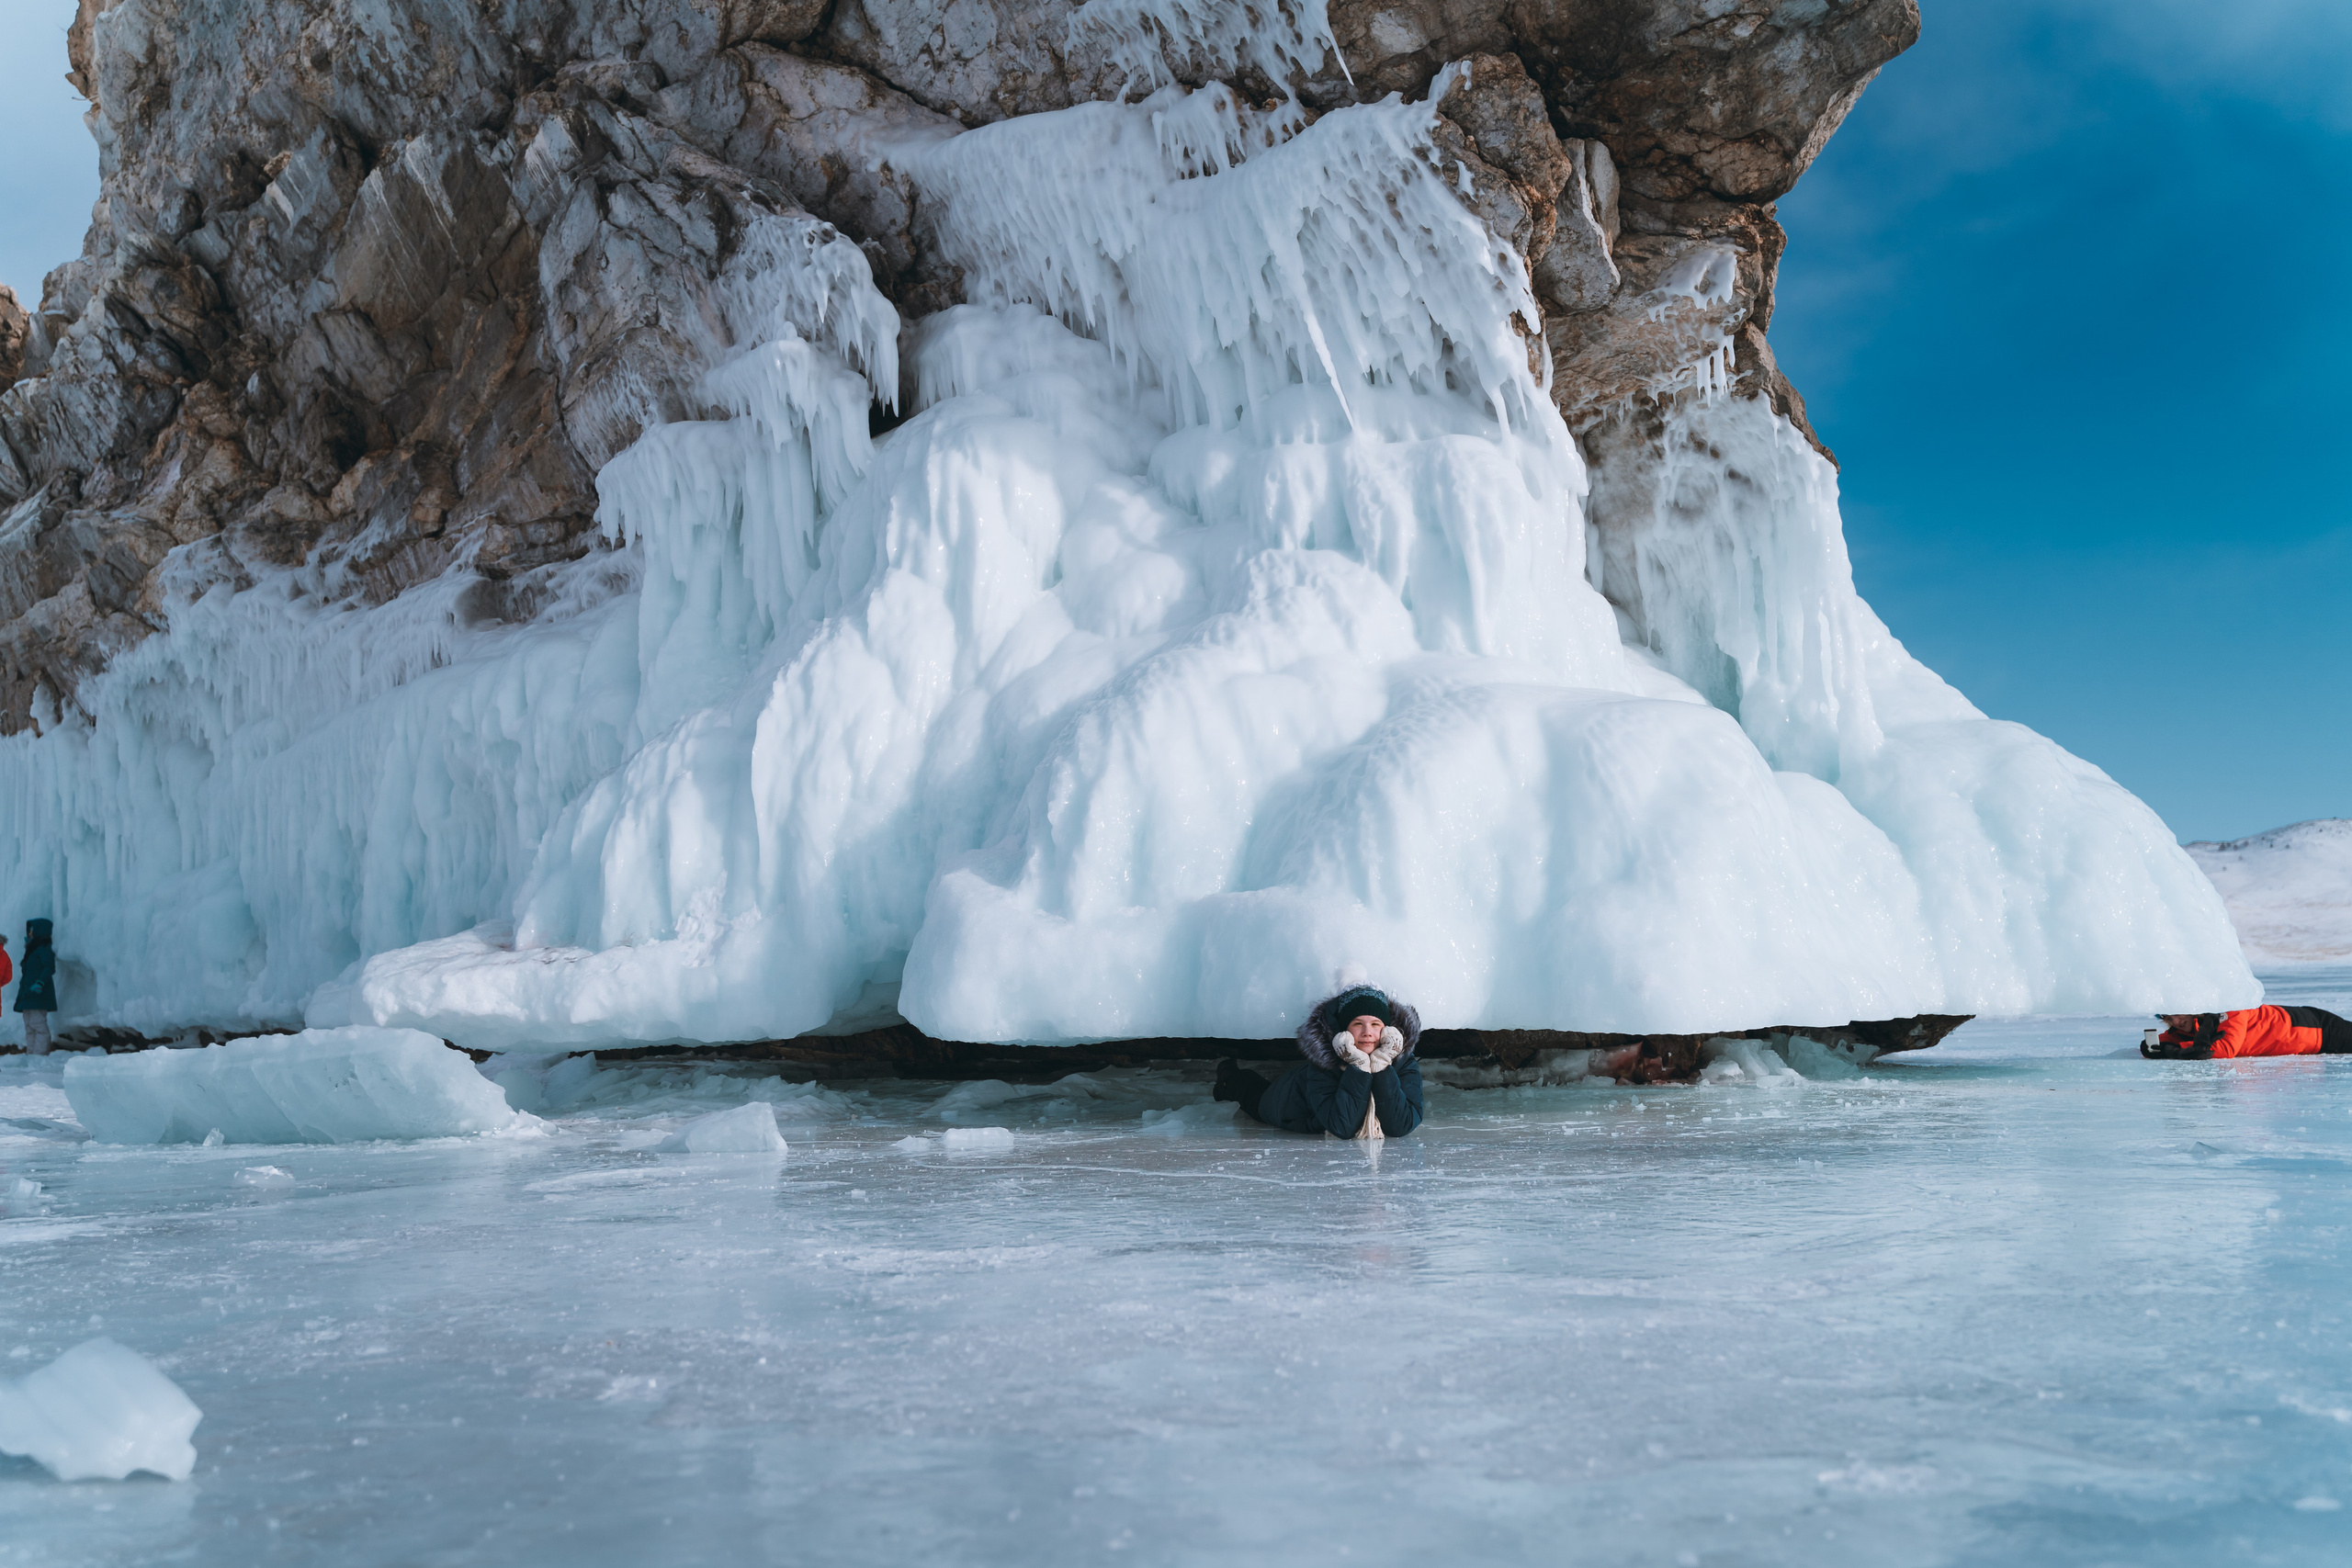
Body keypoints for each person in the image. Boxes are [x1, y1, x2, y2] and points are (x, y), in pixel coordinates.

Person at [1213, 980, 1426, 1138]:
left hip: (1306, 1092)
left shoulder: (1403, 1061)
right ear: (1344, 1030)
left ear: (1388, 1030)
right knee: (1251, 1092)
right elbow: (1343, 1126)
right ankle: (1228, 1077)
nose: (1367, 1032)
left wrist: (1381, 1066)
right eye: (1358, 1024)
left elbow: (1400, 1125)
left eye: (1376, 1024)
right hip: (1284, 1103)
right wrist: (1360, 1066)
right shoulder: (1324, 1065)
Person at [2143, 1005, 2352, 1059]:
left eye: (2177, 1014)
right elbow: (2161, 1043)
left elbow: (2226, 1049)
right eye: (2168, 1019)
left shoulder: (2230, 1007)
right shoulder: (2187, 1029)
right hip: (2307, 1038)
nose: (2176, 1022)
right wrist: (2149, 1047)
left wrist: (2176, 1050)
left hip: (2316, 1028)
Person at [16, 919, 57, 1056]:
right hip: (28, 994)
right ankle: (32, 1055)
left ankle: (39, 1055)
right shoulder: (32, 950)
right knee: (29, 1027)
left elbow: (49, 967)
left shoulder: (44, 948)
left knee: (39, 1025)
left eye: (33, 930)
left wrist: (40, 983)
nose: (30, 933)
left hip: (38, 994)